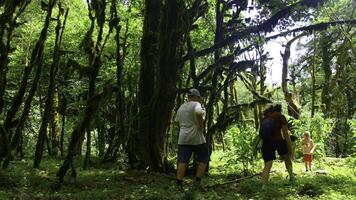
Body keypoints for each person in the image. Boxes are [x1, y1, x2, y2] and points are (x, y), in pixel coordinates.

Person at [175, 88, 209, 190]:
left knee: (182, 161)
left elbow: (177, 122)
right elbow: (199, 113)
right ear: (195, 97)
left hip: (183, 138)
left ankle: (179, 183)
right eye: (198, 97)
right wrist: (201, 125)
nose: (199, 99)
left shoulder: (181, 107)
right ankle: (197, 182)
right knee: (204, 158)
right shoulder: (196, 105)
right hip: (196, 137)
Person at [260, 104, 295, 190]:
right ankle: (292, 177)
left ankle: (264, 186)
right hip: (278, 140)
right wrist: (289, 146)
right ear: (280, 110)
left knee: (268, 164)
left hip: (266, 142)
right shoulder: (281, 117)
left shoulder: (266, 117)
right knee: (287, 157)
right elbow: (285, 134)